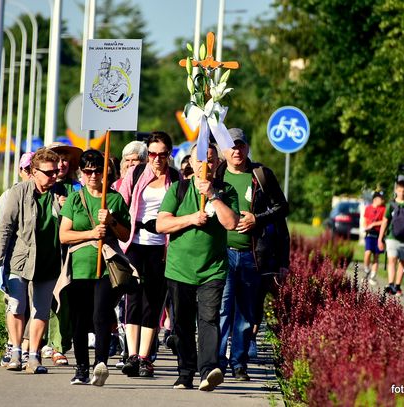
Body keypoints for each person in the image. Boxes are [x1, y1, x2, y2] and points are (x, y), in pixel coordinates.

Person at [156, 143, 239, 391]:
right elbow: (161, 224)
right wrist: (191, 219)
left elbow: (231, 223)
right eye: (201, 160)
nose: (206, 165)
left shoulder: (226, 190)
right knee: (181, 323)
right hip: (180, 269)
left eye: (211, 160)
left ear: (218, 164)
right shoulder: (178, 189)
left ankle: (208, 370)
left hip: (212, 269)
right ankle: (185, 372)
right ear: (191, 163)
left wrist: (213, 195)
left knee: (209, 319)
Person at [215, 128, 289, 381]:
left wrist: (258, 218)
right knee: (222, 310)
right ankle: (217, 363)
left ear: (247, 148)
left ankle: (239, 363)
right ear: (225, 150)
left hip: (251, 254)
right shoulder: (216, 174)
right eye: (232, 147)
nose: (237, 151)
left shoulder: (260, 174)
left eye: (241, 146)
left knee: (246, 312)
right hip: (221, 253)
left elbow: (282, 208)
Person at [0, 148, 63, 374]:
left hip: (48, 262)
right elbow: (5, 228)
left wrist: (64, 204)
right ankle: (16, 351)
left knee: (41, 309)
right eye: (49, 173)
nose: (54, 176)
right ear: (33, 172)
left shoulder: (61, 194)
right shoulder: (18, 193)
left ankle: (34, 357)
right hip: (20, 260)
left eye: (56, 172)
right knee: (17, 305)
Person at [59, 149, 131, 385]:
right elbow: (64, 235)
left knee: (101, 315)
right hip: (79, 266)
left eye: (97, 171)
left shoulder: (114, 199)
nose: (92, 176)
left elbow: (125, 234)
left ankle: (100, 364)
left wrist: (111, 221)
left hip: (105, 267)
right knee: (80, 319)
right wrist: (91, 232)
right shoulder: (75, 199)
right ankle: (81, 368)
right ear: (81, 173)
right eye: (87, 171)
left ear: (105, 173)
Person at [118, 131, 180, 378]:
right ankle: (131, 355)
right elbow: (121, 205)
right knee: (132, 296)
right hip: (134, 242)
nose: (156, 159)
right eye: (152, 154)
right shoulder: (135, 174)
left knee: (153, 300)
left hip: (161, 245)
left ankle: (145, 357)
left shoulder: (175, 179)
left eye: (162, 155)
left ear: (169, 155)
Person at [0, 152, 35, 367]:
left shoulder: (45, 194)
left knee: (33, 305)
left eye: (32, 169)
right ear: (20, 170)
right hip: (11, 259)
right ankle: (12, 344)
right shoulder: (10, 195)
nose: (29, 173)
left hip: (37, 260)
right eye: (26, 169)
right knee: (15, 303)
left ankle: (25, 348)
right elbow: (0, 228)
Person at [43, 142, 83, 365]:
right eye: (57, 158)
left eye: (66, 159)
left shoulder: (76, 189)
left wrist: (69, 209)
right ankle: (34, 344)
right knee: (38, 300)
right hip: (41, 251)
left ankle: (58, 346)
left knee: (61, 299)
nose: (61, 163)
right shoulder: (37, 187)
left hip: (67, 252)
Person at [377, 180, 404, 296]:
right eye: (400, 190)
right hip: (391, 237)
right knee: (392, 260)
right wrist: (381, 238)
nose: (402, 193)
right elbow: (385, 221)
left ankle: (397, 286)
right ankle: (390, 285)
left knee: (402, 263)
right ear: (396, 191)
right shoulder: (391, 205)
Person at [363, 191, 386, 285]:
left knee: (376, 256)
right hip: (369, 234)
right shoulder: (368, 208)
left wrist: (373, 224)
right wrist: (366, 227)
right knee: (367, 252)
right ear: (375, 199)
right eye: (381, 198)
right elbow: (365, 220)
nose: (383, 200)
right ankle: (366, 269)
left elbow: (384, 221)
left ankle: (372, 276)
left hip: (378, 234)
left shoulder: (384, 209)